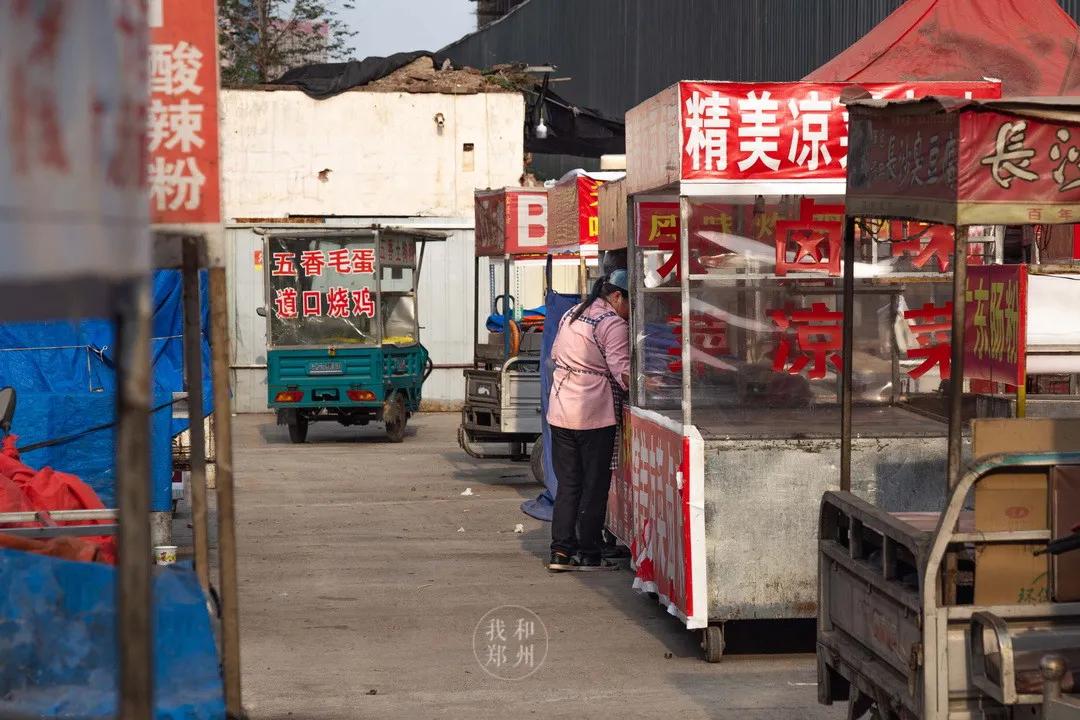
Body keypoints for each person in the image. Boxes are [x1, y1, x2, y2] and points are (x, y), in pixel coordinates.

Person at [546, 270, 630, 572]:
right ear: (618, 296)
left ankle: (560, 552)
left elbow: (555, 354)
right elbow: (623, 373)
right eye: (629, 304)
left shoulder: (572, 312)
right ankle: (590, 553)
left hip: (560, 409)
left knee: (569, 484)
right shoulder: (612, 324)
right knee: (594, 485)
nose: (629, 313)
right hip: (594, 414)